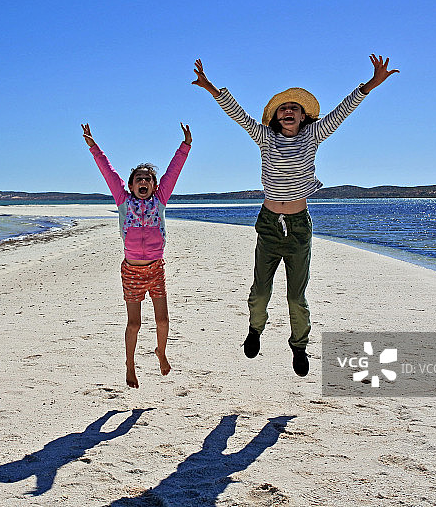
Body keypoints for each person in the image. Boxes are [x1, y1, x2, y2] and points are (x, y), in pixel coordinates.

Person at [192, 54, 398, 377]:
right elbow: (239, 116)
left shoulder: (311, 137)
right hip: (269, 226)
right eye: (283, 108)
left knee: (296, 296)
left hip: (299, 228)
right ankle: (255, 329)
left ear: (304, 117)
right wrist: (211, 88)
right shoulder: (265, 138)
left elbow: (342, 112)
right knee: (260, 291)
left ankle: (299, 346)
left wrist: (370, 84)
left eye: (294, 108)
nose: (288, 111)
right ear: (275, 117)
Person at [82, 122, 192, 388]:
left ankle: (161, 351)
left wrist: (185, 146)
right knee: (134, 324)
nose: (143, 181)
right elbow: (107, 172)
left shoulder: (160, 199)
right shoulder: (123, 201)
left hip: (155, 269)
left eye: (148, 179)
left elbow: (173, 172)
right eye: (138, 179)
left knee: (163, 320)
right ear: (130, 185)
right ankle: (130, 365)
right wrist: (94, 147)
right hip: (131, 271)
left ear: (154, 186)